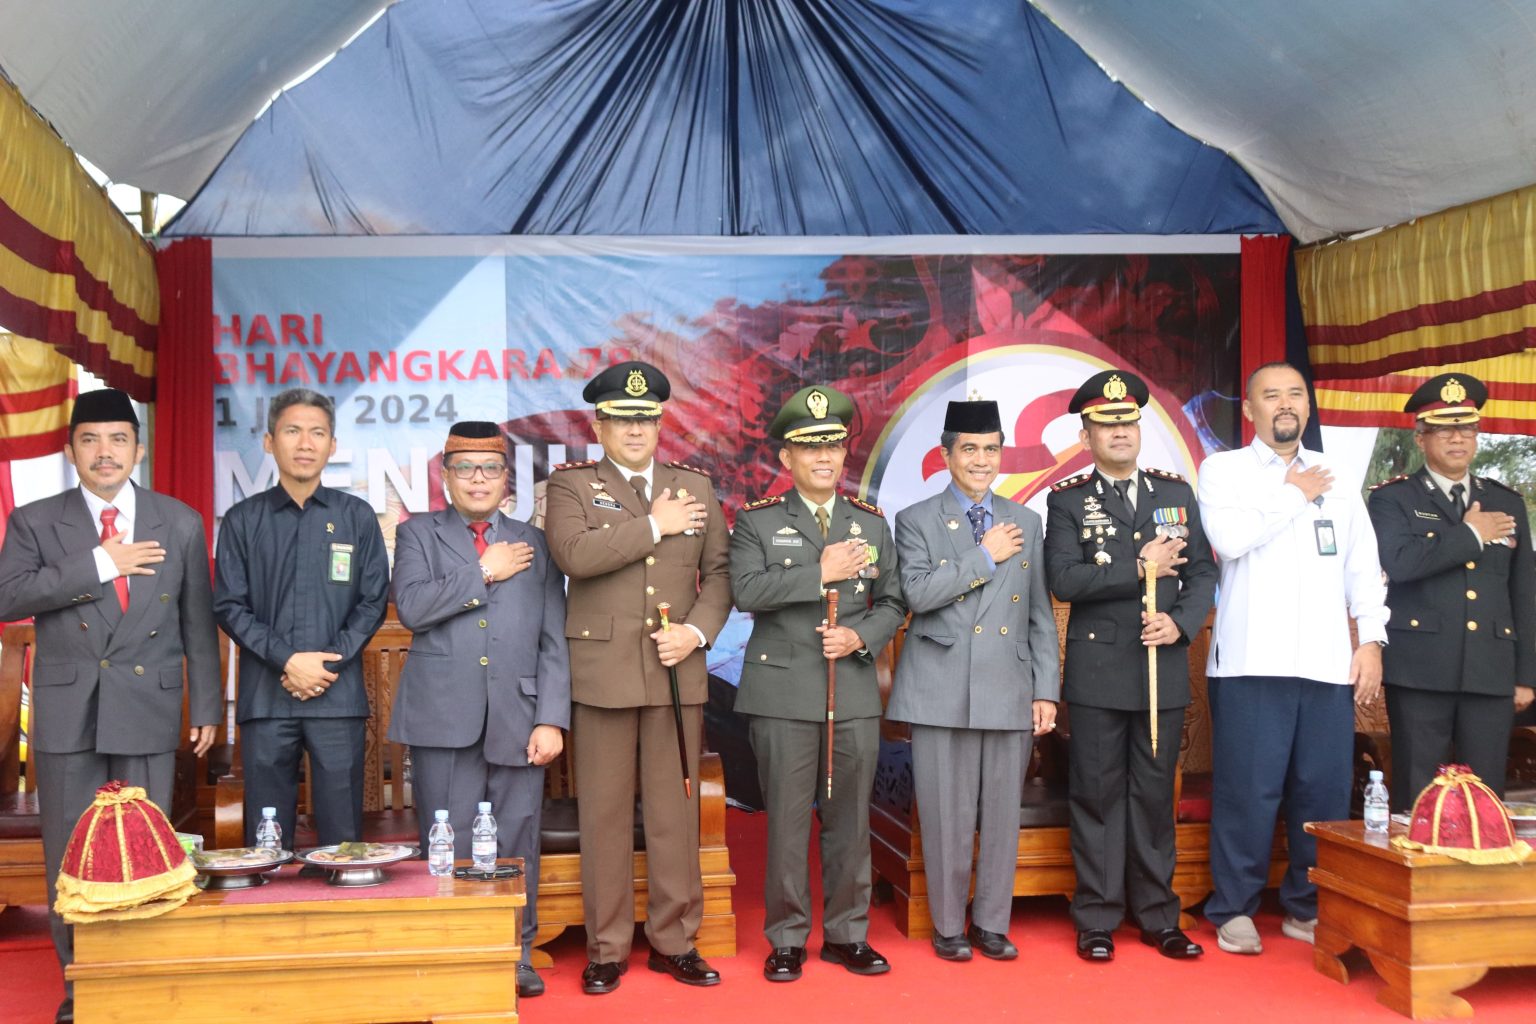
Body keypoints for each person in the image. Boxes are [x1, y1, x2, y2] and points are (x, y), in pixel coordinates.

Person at [0, 389, 220, 1024]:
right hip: (71, 713)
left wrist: (205, 703)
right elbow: (7, 594)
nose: (105, 452)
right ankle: (84, 987)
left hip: (146, 705)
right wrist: (101, 562)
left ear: (138, 449)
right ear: (71, 451)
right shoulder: (37, 521)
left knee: (147, 850)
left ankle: (145, 982)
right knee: (72, 852)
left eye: (118, 439)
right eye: (90, 440)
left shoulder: (177, 520)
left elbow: (196, 621)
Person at [542, 361, 731, 994]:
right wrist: (655, 524)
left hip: (676, 672)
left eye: (646, 418)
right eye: (622, 420)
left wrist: (697, 632)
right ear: (599, 424)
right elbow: (575, 556)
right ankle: (607, 946)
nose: (635, 429)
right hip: (602, 672)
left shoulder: (695, 487)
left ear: (660, 422)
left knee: (676, 812)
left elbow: (722, 575)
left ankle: (675, 940)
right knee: (605, 814)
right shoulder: (571, 486)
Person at [1196, 361, 1388, 955]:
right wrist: (1291, 495)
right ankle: (1233, 907)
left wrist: (1372, 641)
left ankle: (1308, 906)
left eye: (1295, 395)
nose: (1285, 404)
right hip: (1253, 664)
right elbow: (1229, 542)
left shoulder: (1338, 481)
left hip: (1328, 664)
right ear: (1248, 410)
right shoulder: (1223, 470)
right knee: (1248, 792)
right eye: (1270, 395)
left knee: (1323, 792)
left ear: (1307, 408)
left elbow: (1362, 569)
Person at [730, 385, 908, 982]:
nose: (825, 458)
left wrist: (861, 639)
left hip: (851, 690)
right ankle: (785, 938)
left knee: (849, 821)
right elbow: (746, 592)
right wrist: (819, 572)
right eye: (811, 449)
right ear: (787, 459)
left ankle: (846, 935)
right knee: (784, 821)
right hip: (781, 693)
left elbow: (894, 601)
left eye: (833, 446)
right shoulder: (758, 521)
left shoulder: (869, 523)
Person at [388, 421, 570, 998]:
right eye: (464, 467)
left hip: (520, 715)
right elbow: (413, 608)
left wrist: (552, 716)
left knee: (517, 839)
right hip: (442, 715)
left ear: (506, 478)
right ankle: (452, 948)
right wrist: (484, 569)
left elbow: (552, 637)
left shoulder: (535, 542)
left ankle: (516, 952)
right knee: (449, 837)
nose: (478, 478)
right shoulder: (418, 534)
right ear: (445, 477)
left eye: (490, 468)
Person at [1043, 370, 1216, 963]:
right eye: (1106, 424)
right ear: (1086, 434)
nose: (1120, 432)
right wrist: (1139, 569)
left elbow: (1201, 576)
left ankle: (1158, 915)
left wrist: (1182, 624)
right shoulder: (1067, 501)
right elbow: (1062, 579)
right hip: (1096, 674)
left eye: (1128, 422)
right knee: (1094, 795)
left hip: (1160, 668)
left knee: (1150, 797)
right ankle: (1095, 917)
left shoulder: (1176, 493)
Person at [887, 398, 1058, 963]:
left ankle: (990, 922)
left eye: (991, 449)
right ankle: (947, 925)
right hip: (941, 686)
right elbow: (918, 595)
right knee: (945, 815)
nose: (981, 461)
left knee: (1002, 815)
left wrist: (1045, 690)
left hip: (1008, 683)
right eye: (970, 450)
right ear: (946, 454)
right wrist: (983, 556)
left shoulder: (1026, 520)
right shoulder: (915, 519)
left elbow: (1038, 613)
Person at [213, 388, 389, 852]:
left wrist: (323, 666)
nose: (305, 443)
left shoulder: (357, 517)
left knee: (342, 839)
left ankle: (348, 920)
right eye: (293, 431)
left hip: (337, 698)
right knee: (266, 841)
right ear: (270, 441)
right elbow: (230, 605)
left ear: (333, 445)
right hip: (267, 698)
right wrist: (288, 660)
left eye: (317, 433)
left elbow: (373, 601)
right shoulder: (241, 520)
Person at [1367, 373, 1535, 809]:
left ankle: (1479, 878)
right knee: (1418, 794)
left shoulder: (1507, 501)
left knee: (1486, 795)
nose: (1458, 438)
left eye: (1467, 428)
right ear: (1420, 437)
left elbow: (1525, 590)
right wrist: (1470, 536)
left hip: (1492, 669)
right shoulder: (1393, 499)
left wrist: (1526, 675)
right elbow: (1399, 564)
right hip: (1420, 668)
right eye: (1444, 429)